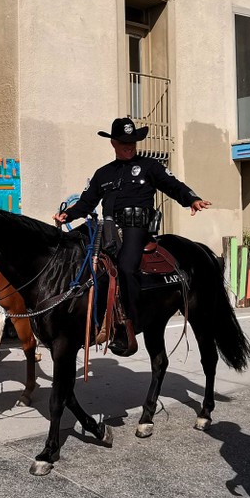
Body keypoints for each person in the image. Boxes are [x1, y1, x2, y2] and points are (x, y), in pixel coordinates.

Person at [52, 117, 211, 357]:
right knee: (76, 257)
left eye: (133, 142)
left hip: (136, 229)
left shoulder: (149, 166)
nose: (129, 146)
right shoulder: (103, 173)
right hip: (106, 228)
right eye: (124, 142)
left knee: (126, 266)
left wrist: (191, 199)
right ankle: (79, 319)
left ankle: (130, 323)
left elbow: (172, 184)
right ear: (113, 143)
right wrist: (67, 214)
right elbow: (86, 203)